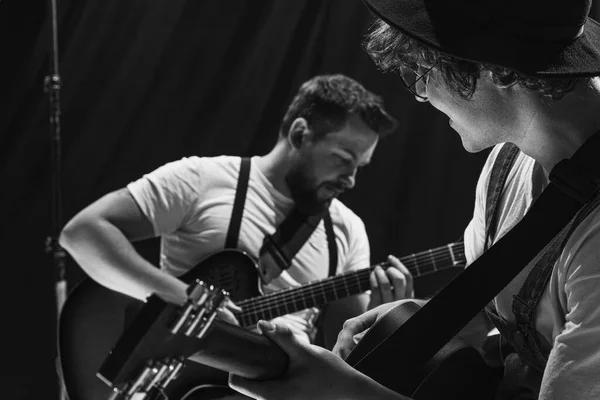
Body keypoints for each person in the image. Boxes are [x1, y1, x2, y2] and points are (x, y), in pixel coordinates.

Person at [228, 1, 600, 399]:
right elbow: (517, 312)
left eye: (422, 73)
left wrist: (340, 390)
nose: (420, 94)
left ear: (502, 70)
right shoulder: (507, 159)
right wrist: (434, 319)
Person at [59, 73, 413, 351]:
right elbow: (83, 233)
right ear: (300, 133)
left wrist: (381, 319)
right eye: (342, 159)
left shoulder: (349, 230)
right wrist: (182, 298)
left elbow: (341, 353)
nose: (350, 179)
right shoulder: (203, 180)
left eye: (360, 166)